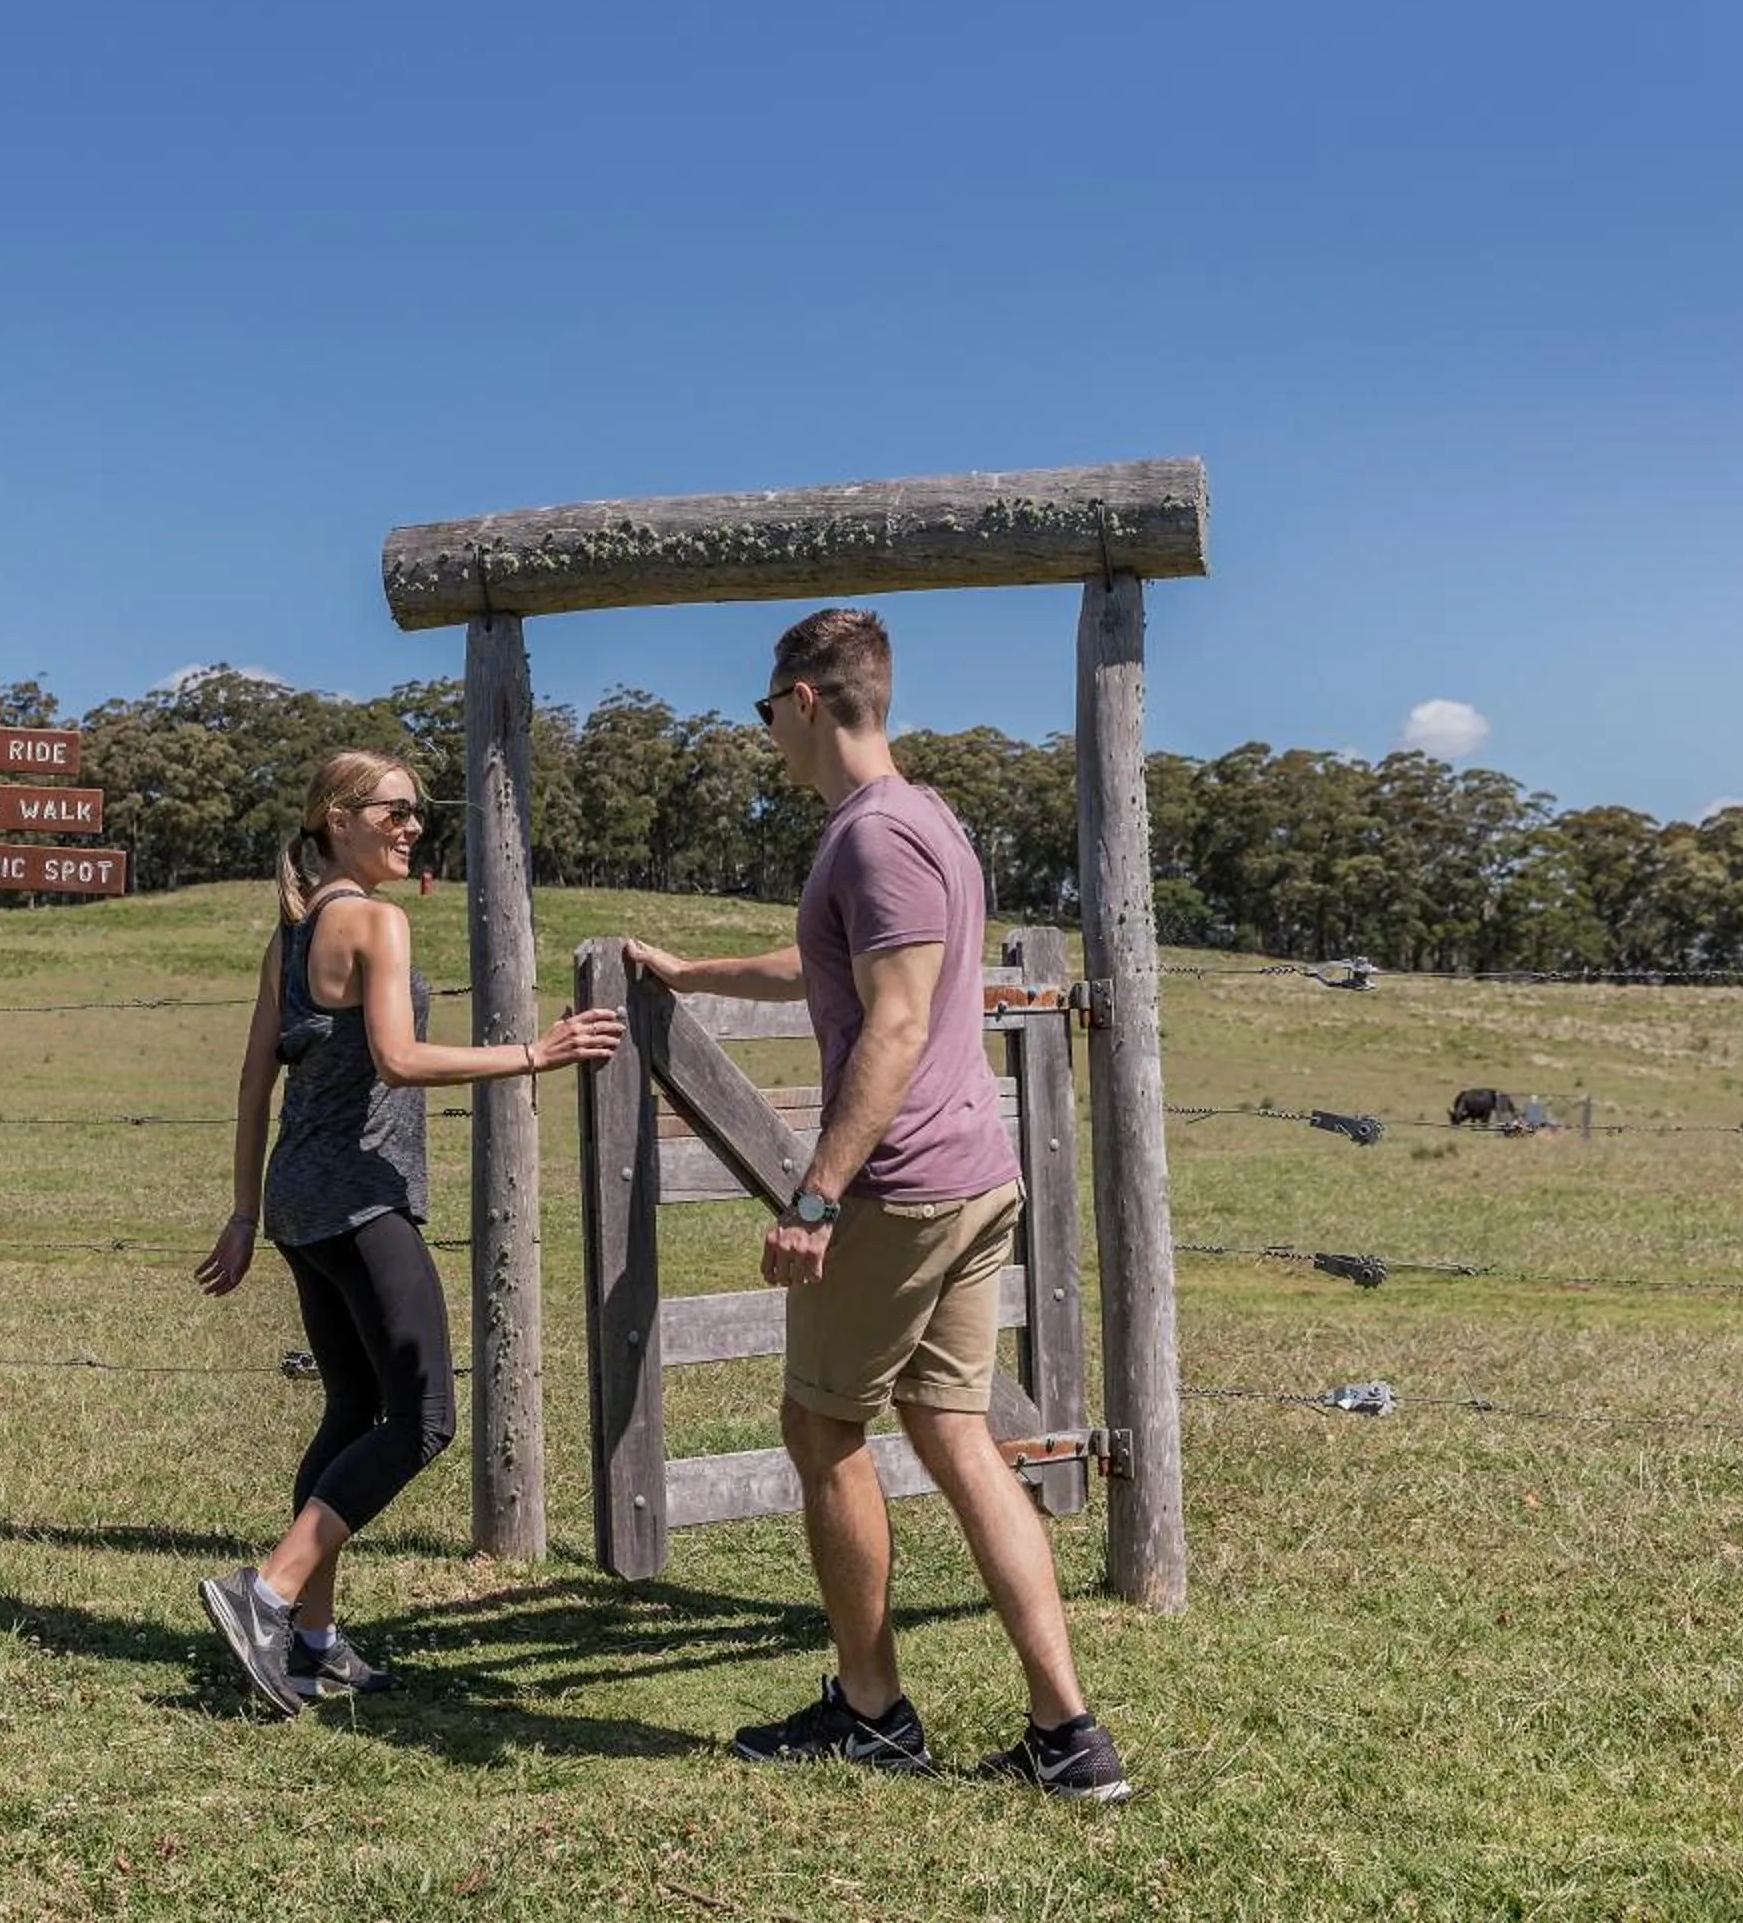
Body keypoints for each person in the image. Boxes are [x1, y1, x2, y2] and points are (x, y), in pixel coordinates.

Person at [623, 609, 1131, 1801]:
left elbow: (896, 1023)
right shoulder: (925, 821)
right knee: (955, 1432)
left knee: (821, 1429)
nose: (766, 736)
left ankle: (872, 1707)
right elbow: (839, 971)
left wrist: (817, 1193)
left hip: (902, 1189)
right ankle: (1068, 1735)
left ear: (806, 699)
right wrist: (693, 973)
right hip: (972, 1174)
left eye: (763, 712)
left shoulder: (875, 837)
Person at [196, 750, 624, 1717]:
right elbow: (395, 1059)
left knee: (352, 1410)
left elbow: (255, 1081)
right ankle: (263, 1595)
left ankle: (310, 1636)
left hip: (301, 1202)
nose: (413, 826)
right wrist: (534, 1053)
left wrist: (245, 1212)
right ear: (339, 817)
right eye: (395, 810)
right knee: (424, 1418)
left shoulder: (294, 930)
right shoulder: (374, 923)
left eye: (419, 812)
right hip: (358, 1199)